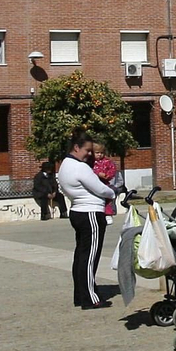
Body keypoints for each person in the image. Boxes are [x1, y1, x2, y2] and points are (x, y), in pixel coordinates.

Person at [60, 133, 118, 310]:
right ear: (76, 148)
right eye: (87, 150)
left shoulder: (64, 165)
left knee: (81, 255)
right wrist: (113, 192)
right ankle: (90, 298)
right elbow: (100, 188)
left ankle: (80, 295)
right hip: (90, 212)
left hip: (78, 210)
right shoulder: (80, 167)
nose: (90, 154)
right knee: (89, 257)